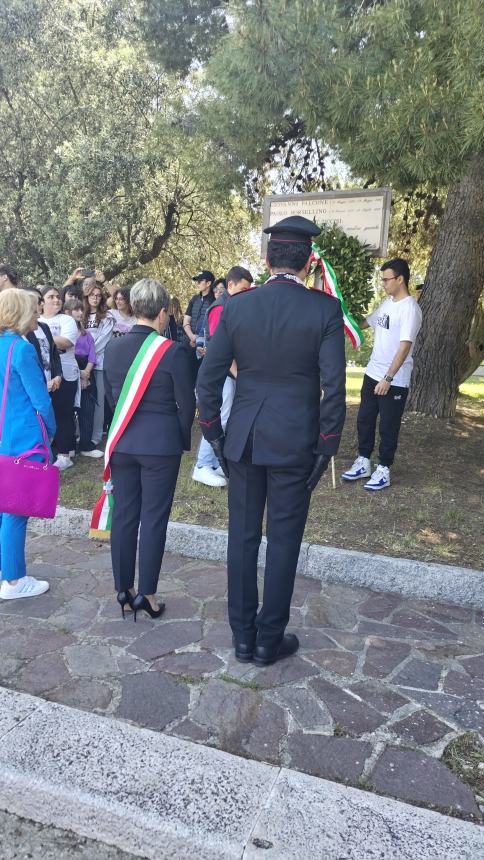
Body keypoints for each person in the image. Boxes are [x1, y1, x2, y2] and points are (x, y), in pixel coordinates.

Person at [197, 216, 346, 667]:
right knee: (283, 541)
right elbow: (334, 388)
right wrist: (327, 445)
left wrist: (214, 434)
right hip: (295, 441)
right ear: (307, 263)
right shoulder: (324, 309)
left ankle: (243, 637)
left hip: (244, 437)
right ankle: (267, 640)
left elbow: (208, 379)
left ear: (267, 260)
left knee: (241, 538)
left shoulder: (236, 307)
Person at [104, 278, 195, 621]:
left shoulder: (112, 348)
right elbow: (187, 405)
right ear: (161, 313)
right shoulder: (172, 351)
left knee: (125, 515)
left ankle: (124, 591)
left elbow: (113, 399)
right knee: (153, 519)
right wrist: (181, 439)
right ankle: (149, 595)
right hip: (160, 445)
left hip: (123, 442)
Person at [0, 289, 56, 599]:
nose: (36, 313)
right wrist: (51, 431)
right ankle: (14, 581)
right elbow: (40, 400)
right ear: (20, 313)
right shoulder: (22, 350)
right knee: (14, 510)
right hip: (23, 438)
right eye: (32, 309)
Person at [342, 258, 422, 491]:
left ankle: (384, 468)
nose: (383, 283)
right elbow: (366, 323)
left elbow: (405, 346)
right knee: (364, 419)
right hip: (372, 373)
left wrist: (388, 378)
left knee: (388, 425)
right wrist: (343, 320)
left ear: (400, 279)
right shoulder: (387, 304)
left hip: (394, 380)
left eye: (386, 279)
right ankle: (363, 461)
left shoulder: (410, 309)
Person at [192, 266, 254, 488]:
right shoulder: (221, 308)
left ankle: (216, 463)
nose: (246, 292)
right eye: (243, 288)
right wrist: (240, 375)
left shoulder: (232, 305)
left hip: (229, 374)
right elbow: (222, 348)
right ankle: (202, 465)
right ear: (230, 285)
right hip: (221, 375)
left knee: (226, 416)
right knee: (219, 416)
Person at [39, 285, 79, 470]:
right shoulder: (36, 320)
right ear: (42, 301)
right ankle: (53, 449)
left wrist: (40, 337)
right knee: (47, 412)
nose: (56, 300)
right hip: (43, 374)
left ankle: (65, 455)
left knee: (64, 413)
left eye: (58, 296)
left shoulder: (66, 320)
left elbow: (67, 341)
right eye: (51, 297)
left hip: (66, 373)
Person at [64, 297, 101, 458]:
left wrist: (86, 373)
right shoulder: (63, 335)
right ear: (67, 313)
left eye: (81, 309)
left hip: (87, 373)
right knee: (69, 412)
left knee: (87, 409)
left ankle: (86, 444)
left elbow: (93, 356)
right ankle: (69, 445)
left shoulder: (87, 335)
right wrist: (79, 374)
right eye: (76, 310)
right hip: (70, 374)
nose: (80, 313)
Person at [82, 280, 114, 447]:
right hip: (80, 365)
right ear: (86, 297)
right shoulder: (81, 315)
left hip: (99, 364)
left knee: (99, 401)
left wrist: (88, 354)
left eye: (98, 295)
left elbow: (103, 341)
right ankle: (81, 433)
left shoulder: (107, 317)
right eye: (92, 295)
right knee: (82, 400)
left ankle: (95, 435)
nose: (95, 298)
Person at [183, 270, 215, 382]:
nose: (198, 283)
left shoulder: (214, 301)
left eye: (200, 281)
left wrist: (200, 341)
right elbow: (186, 320)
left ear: (208, 283)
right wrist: (192, 336)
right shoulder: (194, 299)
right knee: (187, 377)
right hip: (189, 342)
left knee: (202, 379)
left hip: (205, 347)